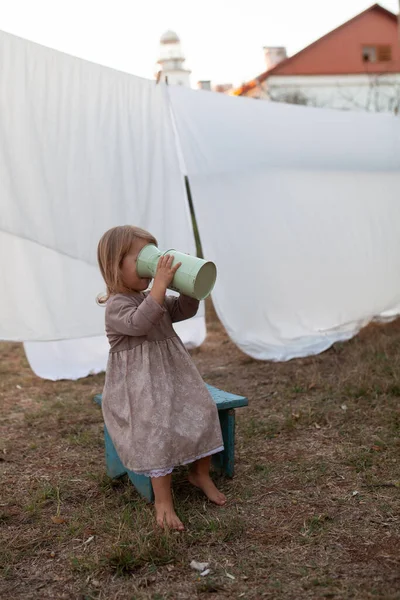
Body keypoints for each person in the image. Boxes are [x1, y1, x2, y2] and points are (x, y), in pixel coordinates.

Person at [97, 225, 226, 531]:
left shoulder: (149, 297)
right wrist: (159, 288)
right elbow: (141, 322)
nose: (152, 268)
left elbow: (183, 308)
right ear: (116, 266)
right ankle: (163, 501)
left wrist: (187, 285)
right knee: (156, 429)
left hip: (173, 379)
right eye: (143, 259)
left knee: (204, 410)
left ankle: (200, 473)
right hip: (139, 389)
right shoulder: (117, 305)